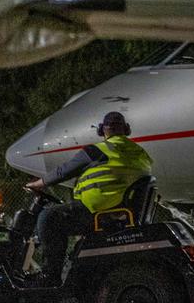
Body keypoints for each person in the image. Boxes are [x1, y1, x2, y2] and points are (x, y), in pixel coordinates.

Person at [25, 111, 153, 284]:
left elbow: (64, 171)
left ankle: (50, 276)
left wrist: (38, 184)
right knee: (57, 214)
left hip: (99, 212)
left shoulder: (98, 150)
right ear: (127, 130)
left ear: (103, 131)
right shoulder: (141, 153)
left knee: (48, 218)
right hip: (120, 213)